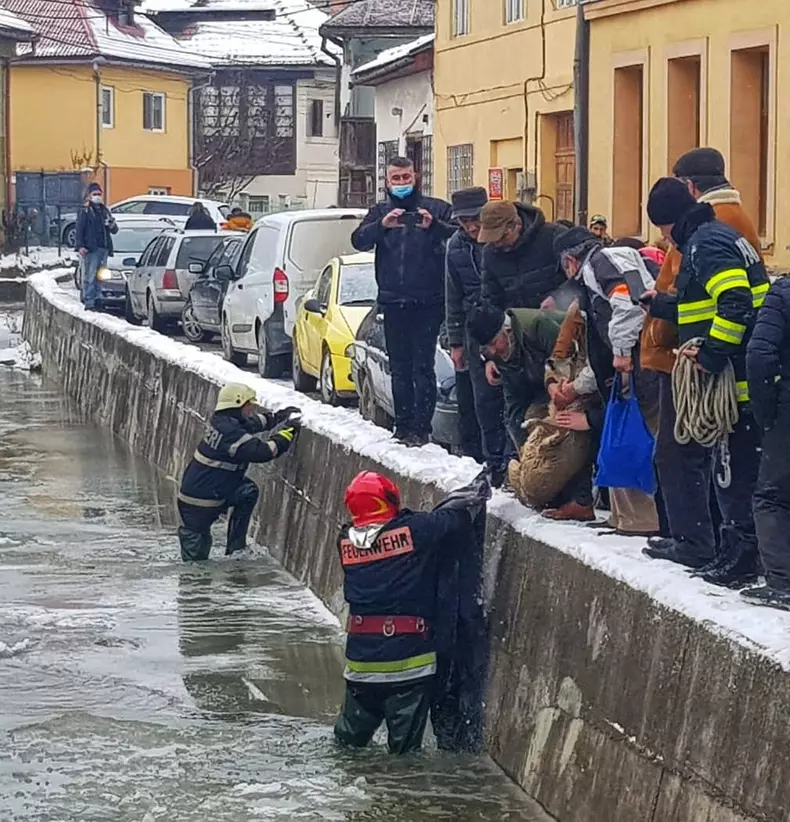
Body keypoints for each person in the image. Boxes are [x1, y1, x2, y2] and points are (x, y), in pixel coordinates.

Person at [641, 147, 762, 571]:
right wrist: (661, 307)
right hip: (741, 366)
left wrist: (709, 357)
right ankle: (729, 548)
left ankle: (732, 552)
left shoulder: (706, 243)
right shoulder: (714, 236)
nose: (664, 240)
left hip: (734, 372)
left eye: (663, 229)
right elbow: (706, 304)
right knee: (728, 466)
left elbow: (734, 303)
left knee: (731, 468)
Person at [334, 470, 489, 755]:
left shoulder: (344, 542)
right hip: (408, 665)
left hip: (360, 666)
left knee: (347, 747)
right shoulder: (416, 530)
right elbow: (456, 519)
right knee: (404, 757)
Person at [553, 226, 660, 536]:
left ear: (571, 260)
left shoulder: (600, 264)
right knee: (624, 436)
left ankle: (639, 519)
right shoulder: (615, 260)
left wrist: (623, 351)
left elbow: (630, 304)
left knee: (629, 438)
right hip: (635, 364)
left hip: (637, 365)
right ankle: (623, 515)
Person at [351, 156, 455, 446]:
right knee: (399, 366)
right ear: (387, 181)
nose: (401, 183)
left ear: (415, 177)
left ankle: (421, 429)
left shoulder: (436, 209)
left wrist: (432, 226)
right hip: (393, 301)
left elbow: (458, 238)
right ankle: (403, 425)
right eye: (395, 179)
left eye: (405, 178)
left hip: (428, 302)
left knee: (422, 366)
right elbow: (358, 240)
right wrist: (382, 225)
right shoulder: (380, 211)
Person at [466, 304, 595, 520]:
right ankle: (554, 494)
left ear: (506, 332)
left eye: (493, 344)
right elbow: (514, 402)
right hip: (539, 388)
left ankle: (582, 499)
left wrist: (556, 386)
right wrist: (525, 450)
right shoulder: (498, 352)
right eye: (487, 349)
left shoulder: (537, 326)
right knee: (525, 422)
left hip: (575, 377)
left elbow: (566, 356)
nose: (493, 351)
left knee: (564, 426)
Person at [177, 383, 302, 561]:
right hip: (198, 504)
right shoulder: (230, 433)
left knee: (248, 492)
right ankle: (201, 580)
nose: (251, 409)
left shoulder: (223, 422)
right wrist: (287, 433)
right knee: (195, 570)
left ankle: (236, 550)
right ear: (236, 405)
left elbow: (252, 423)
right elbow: (264, 452)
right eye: (248, 406)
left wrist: (278, 417)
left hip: (208, 493)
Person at [445, 186, 510, 485]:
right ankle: (493, 461)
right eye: (463, 221)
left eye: (474, 219)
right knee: (483, 400)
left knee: (511, 395)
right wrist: (455, 342)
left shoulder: (499, 240)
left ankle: (513, 459)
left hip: (507, 326)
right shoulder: (455, 247)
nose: (470, 226)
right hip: (475, 331)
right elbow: (452, 297)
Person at [743, 278, 790, 610]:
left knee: (772, 495)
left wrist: (765, 410)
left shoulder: (783, 293)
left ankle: (782, 582)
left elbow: (759, 355)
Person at [479, 200, 567, 312]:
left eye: (502, 237)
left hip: (560, 319)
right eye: (491, 239)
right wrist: (499, 322)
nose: (497, 243)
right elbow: (491, 298)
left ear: (517, 225)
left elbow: (579, 280)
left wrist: (557, 298)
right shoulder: (489, 253)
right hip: (517, 324)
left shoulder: (554, 236)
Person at [74, 182, 117, 312]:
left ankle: (99, 299)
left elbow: (114, 230)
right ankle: (89, 301)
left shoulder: (104, 210)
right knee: (90, 276)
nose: (97, 196)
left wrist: (111, 224)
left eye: (99, 194)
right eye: (95, 194)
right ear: (89, 196)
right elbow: (79, 229)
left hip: (103, 247)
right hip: (91, 248)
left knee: (101, 276)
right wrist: (80, 245)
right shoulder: (86, 211)